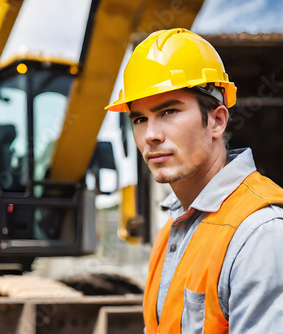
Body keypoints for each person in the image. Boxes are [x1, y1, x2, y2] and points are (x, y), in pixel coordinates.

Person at [105, 28, 283, 333]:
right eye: (139, 119)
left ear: (217, 120)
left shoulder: (261, 235)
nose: (151, 135)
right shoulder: (170, 235)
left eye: (169, 111)